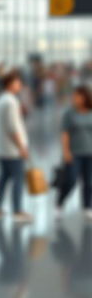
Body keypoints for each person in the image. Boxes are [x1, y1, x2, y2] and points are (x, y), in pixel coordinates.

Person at [0, 70, 33, 222]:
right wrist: (21, 147)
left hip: (2, 148)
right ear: (10, 84)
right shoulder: (11, 101)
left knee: (5, 178)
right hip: (12, 150)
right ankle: (17, 211)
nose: (20, 85)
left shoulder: (0, 99)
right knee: (18, 179)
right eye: (18, 82)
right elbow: (12, 127)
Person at [56, 84, 92, 220]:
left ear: (85, 97)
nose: (75, 99)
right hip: (74, 153)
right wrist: (66, 151)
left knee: (89, 181)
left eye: (78, 96)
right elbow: (65, 134)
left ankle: (87, 206)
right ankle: (60, 202)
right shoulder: (69, 114)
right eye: (74, 96)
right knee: (71, 180)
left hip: (90, 153)